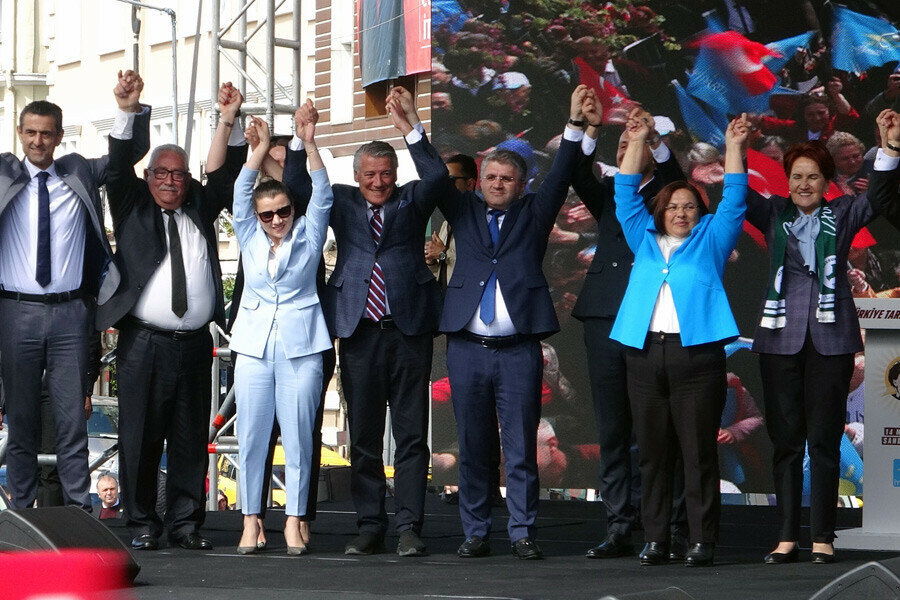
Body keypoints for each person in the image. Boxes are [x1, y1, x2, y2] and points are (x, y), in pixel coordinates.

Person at [282, 86, 443, 557]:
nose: (379, 182)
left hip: (409, 330)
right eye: (370, 175)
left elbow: (434, 176)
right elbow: (296, 190)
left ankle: (410, 527)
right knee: (365, 439)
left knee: (412, 437)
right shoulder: (343, 202)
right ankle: (370, 525)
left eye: (386, 174)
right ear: (356, 176)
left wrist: (410, 127)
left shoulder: (411, 200)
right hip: (357, 331)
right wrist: (301, 139)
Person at [436, 85, 591, 561]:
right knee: (476, 446)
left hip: (519, 350)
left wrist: (574, 126)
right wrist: (411, 131)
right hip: (467, 349)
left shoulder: (534, 213)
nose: (498, 184)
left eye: (507, 178)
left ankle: (522, 530)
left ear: (521, 185)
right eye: (491, 176)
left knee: (521, 445)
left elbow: (563, 171)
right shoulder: (462, 211)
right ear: (479, 179)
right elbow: (430, 173)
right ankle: (476, 531)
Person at [99, 82, 247, 551]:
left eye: (179, 174)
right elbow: (120, 164)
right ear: (149, 178)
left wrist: (228, 119)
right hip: (144, 342)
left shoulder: (199, 207)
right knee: (140, 436)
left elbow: (227, 176)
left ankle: (186, 525)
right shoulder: (131, 202)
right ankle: (142, 522)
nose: (169, 181)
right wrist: (127, 110)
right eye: (161, 173)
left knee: (188, 439)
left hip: (195, 342)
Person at [0, 70, 149, 511]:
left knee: (72, 425)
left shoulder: (78, 171)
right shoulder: (5, 172)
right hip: (15, 312)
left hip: (70, 315)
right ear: (20, 133)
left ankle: (78, 517)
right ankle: (22, 516)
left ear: (59, 136)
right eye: (30, 132)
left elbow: (125, 159)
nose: (38, 141)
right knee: (21, 422)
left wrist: (126, 110)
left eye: (47, 134)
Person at [612, 109, 750, 568]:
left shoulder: (711, 236)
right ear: (660, 211)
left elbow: (734, 198)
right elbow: (624, 193)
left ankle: (701, 540)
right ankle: (656, 539)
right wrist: (635, 140)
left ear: (699, 212)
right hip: (646, 353)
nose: (681, 212)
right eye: (672, 206)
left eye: (689, 205)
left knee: (697, 454)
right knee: (651, 454)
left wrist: (734, 146)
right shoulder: (642, 236)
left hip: (698, 358)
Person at [746, 131, 882, 565]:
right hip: (780, 340)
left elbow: (878, 195)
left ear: (827, 182)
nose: (804, 184)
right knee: (786, 442)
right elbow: (733, 195)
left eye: (813, 176)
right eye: (797, 176)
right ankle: (786, 537)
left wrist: (892, 149)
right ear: (787, 180)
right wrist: (733, 148)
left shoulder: (842, 213)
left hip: (830, 339)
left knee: (824, 441)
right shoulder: (771, 213)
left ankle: (823, 536)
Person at [570, 104, 686, 559]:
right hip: (604, 318)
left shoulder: (667, 195)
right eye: (622, 146)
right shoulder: (607, 192)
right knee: (613, 427)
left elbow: (681, 178)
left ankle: (668, 523)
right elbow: (576, 171)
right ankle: (619, 523)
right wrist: (590, 128)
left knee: (658, 427)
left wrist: (653, 137)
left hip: (655, 318)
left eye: (636, 144)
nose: (629, 150)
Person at [230, 107, 333, 556]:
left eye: (283, 212)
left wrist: (308, 143)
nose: (276, 220)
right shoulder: (248, 234)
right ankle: (251, 520)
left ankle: (294, 520)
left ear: (293, 208)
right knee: (252, 436)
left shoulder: (309, 232)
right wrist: (256, 151)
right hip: (253, 345)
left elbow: (324, 193)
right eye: (268, 215)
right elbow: (238, 192)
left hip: (303, 346)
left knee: (299, 436)